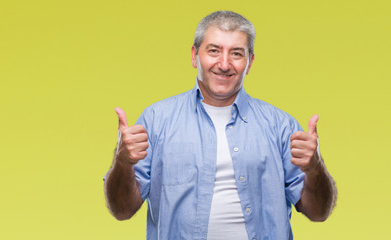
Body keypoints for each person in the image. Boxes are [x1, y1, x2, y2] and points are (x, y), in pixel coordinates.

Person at [104, 10, 337, 240]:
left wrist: (315, 167)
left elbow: (318, 213)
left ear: (249, 62)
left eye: (236, 53)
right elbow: (122, 210)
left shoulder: (281, 126)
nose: (224, 64)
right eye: (214, 51)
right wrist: (123, 162)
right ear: (195, 56)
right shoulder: (156, 120)